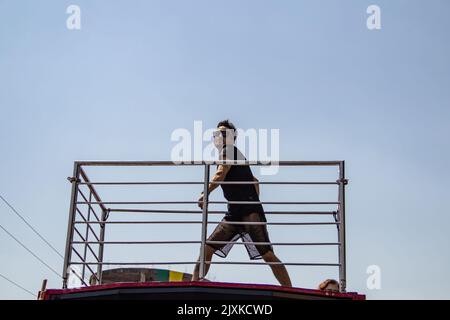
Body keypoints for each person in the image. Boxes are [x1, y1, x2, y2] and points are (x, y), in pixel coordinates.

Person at [191, 119, 292, 287]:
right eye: (215, 134)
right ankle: (193, 286)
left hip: (248, 212)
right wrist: (253, 201)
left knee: (267, 254)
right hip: (235, 213)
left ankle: (289, 290)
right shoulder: (235, 154)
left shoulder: (228, 151)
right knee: (207, 248)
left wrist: (205, 193)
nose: (218, 136)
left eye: (223, 133)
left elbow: (220, 174)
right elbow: (255, 181)